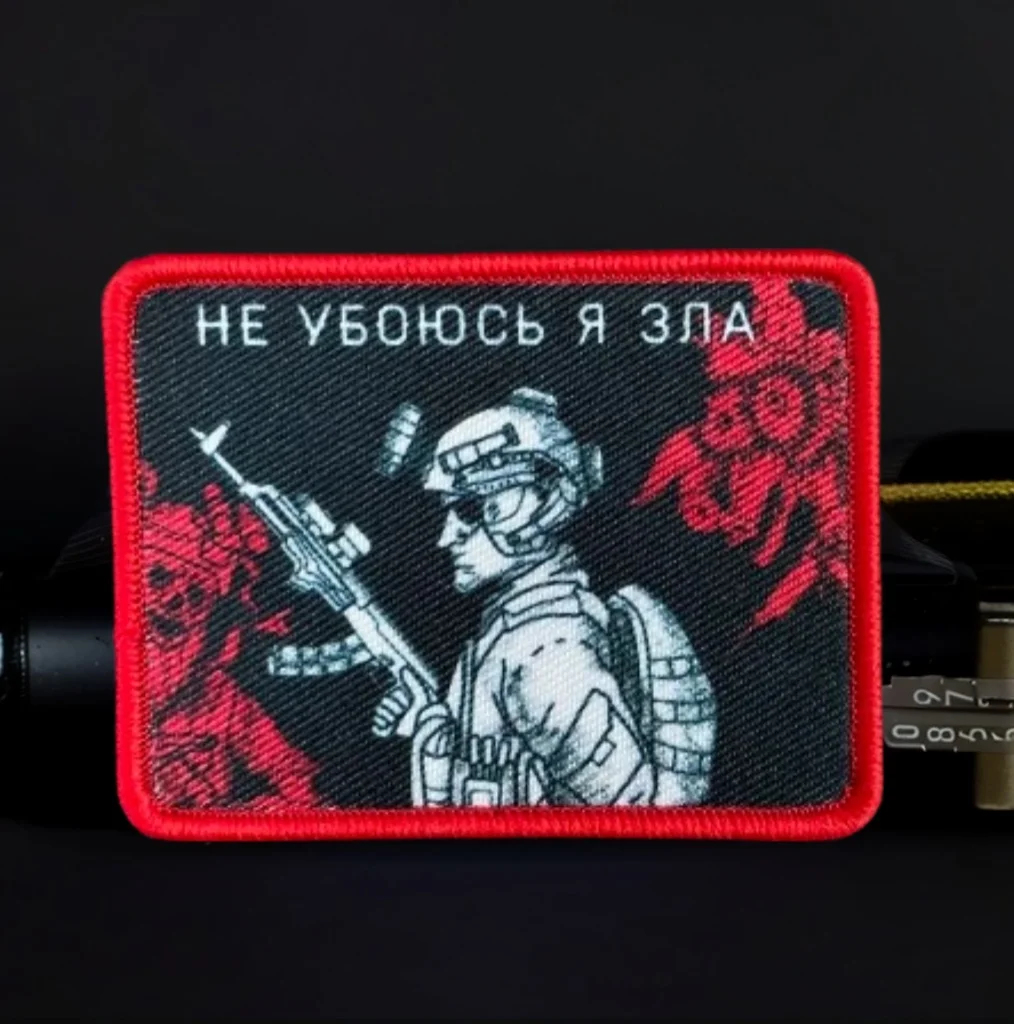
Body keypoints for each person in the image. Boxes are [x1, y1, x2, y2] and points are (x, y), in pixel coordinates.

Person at [372, 388, 716, 808]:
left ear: (542, 504)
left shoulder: (544, 652)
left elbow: (626, 812)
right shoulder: (517, 634)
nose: (447, 537)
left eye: (470, 510)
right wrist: (428, 726)